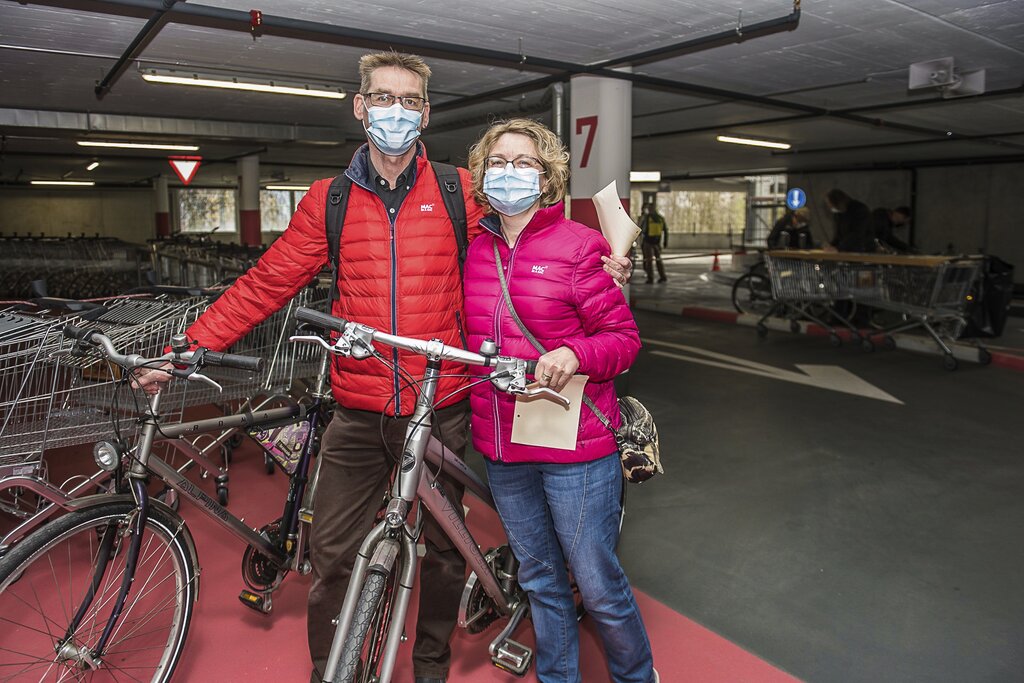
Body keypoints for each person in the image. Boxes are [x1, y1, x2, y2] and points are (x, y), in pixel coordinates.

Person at [134, 51, 632, 683]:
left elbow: (532, 234)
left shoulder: (460, 192)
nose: (395, 111)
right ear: (360, 106)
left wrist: (605, 256)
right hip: (359, 408)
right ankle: (332, 670)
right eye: (383, 98)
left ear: (425, 113)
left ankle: (430, 665)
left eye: (409, 101)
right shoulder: (330, 200)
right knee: (332, 550)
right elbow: (267, 283)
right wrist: (191, 344)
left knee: (451, 550)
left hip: (442, 402)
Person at [463, 118, 657, 683]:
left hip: (575, 447)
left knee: (595, 583)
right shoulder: (476, 249)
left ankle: (637, 676)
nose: (509, 172)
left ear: (547, 177)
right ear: (481, 174)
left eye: (524, 163)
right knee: (540, 578)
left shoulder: (579, 246)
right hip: (502, 442)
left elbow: (623, 341)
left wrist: (574, 353)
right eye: (498, 162)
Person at [823, 188, 874, 253]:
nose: (829, 207)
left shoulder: (859, 210)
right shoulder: (838, 213)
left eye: (829, 203)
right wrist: (831, 245)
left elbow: (856, 234)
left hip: (863, 250)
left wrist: (838, 248)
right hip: (847, 250)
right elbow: (839, 235)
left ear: (837, 201)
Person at [638, 202, 668, 283]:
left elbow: (641, 229)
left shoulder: (647, 218)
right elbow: (665, 230)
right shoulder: (660, 218)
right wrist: (665, 241)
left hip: (648, 242)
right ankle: (663, 276)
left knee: (649, 261)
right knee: (658, 260)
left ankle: (650, 278)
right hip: (657, 242)